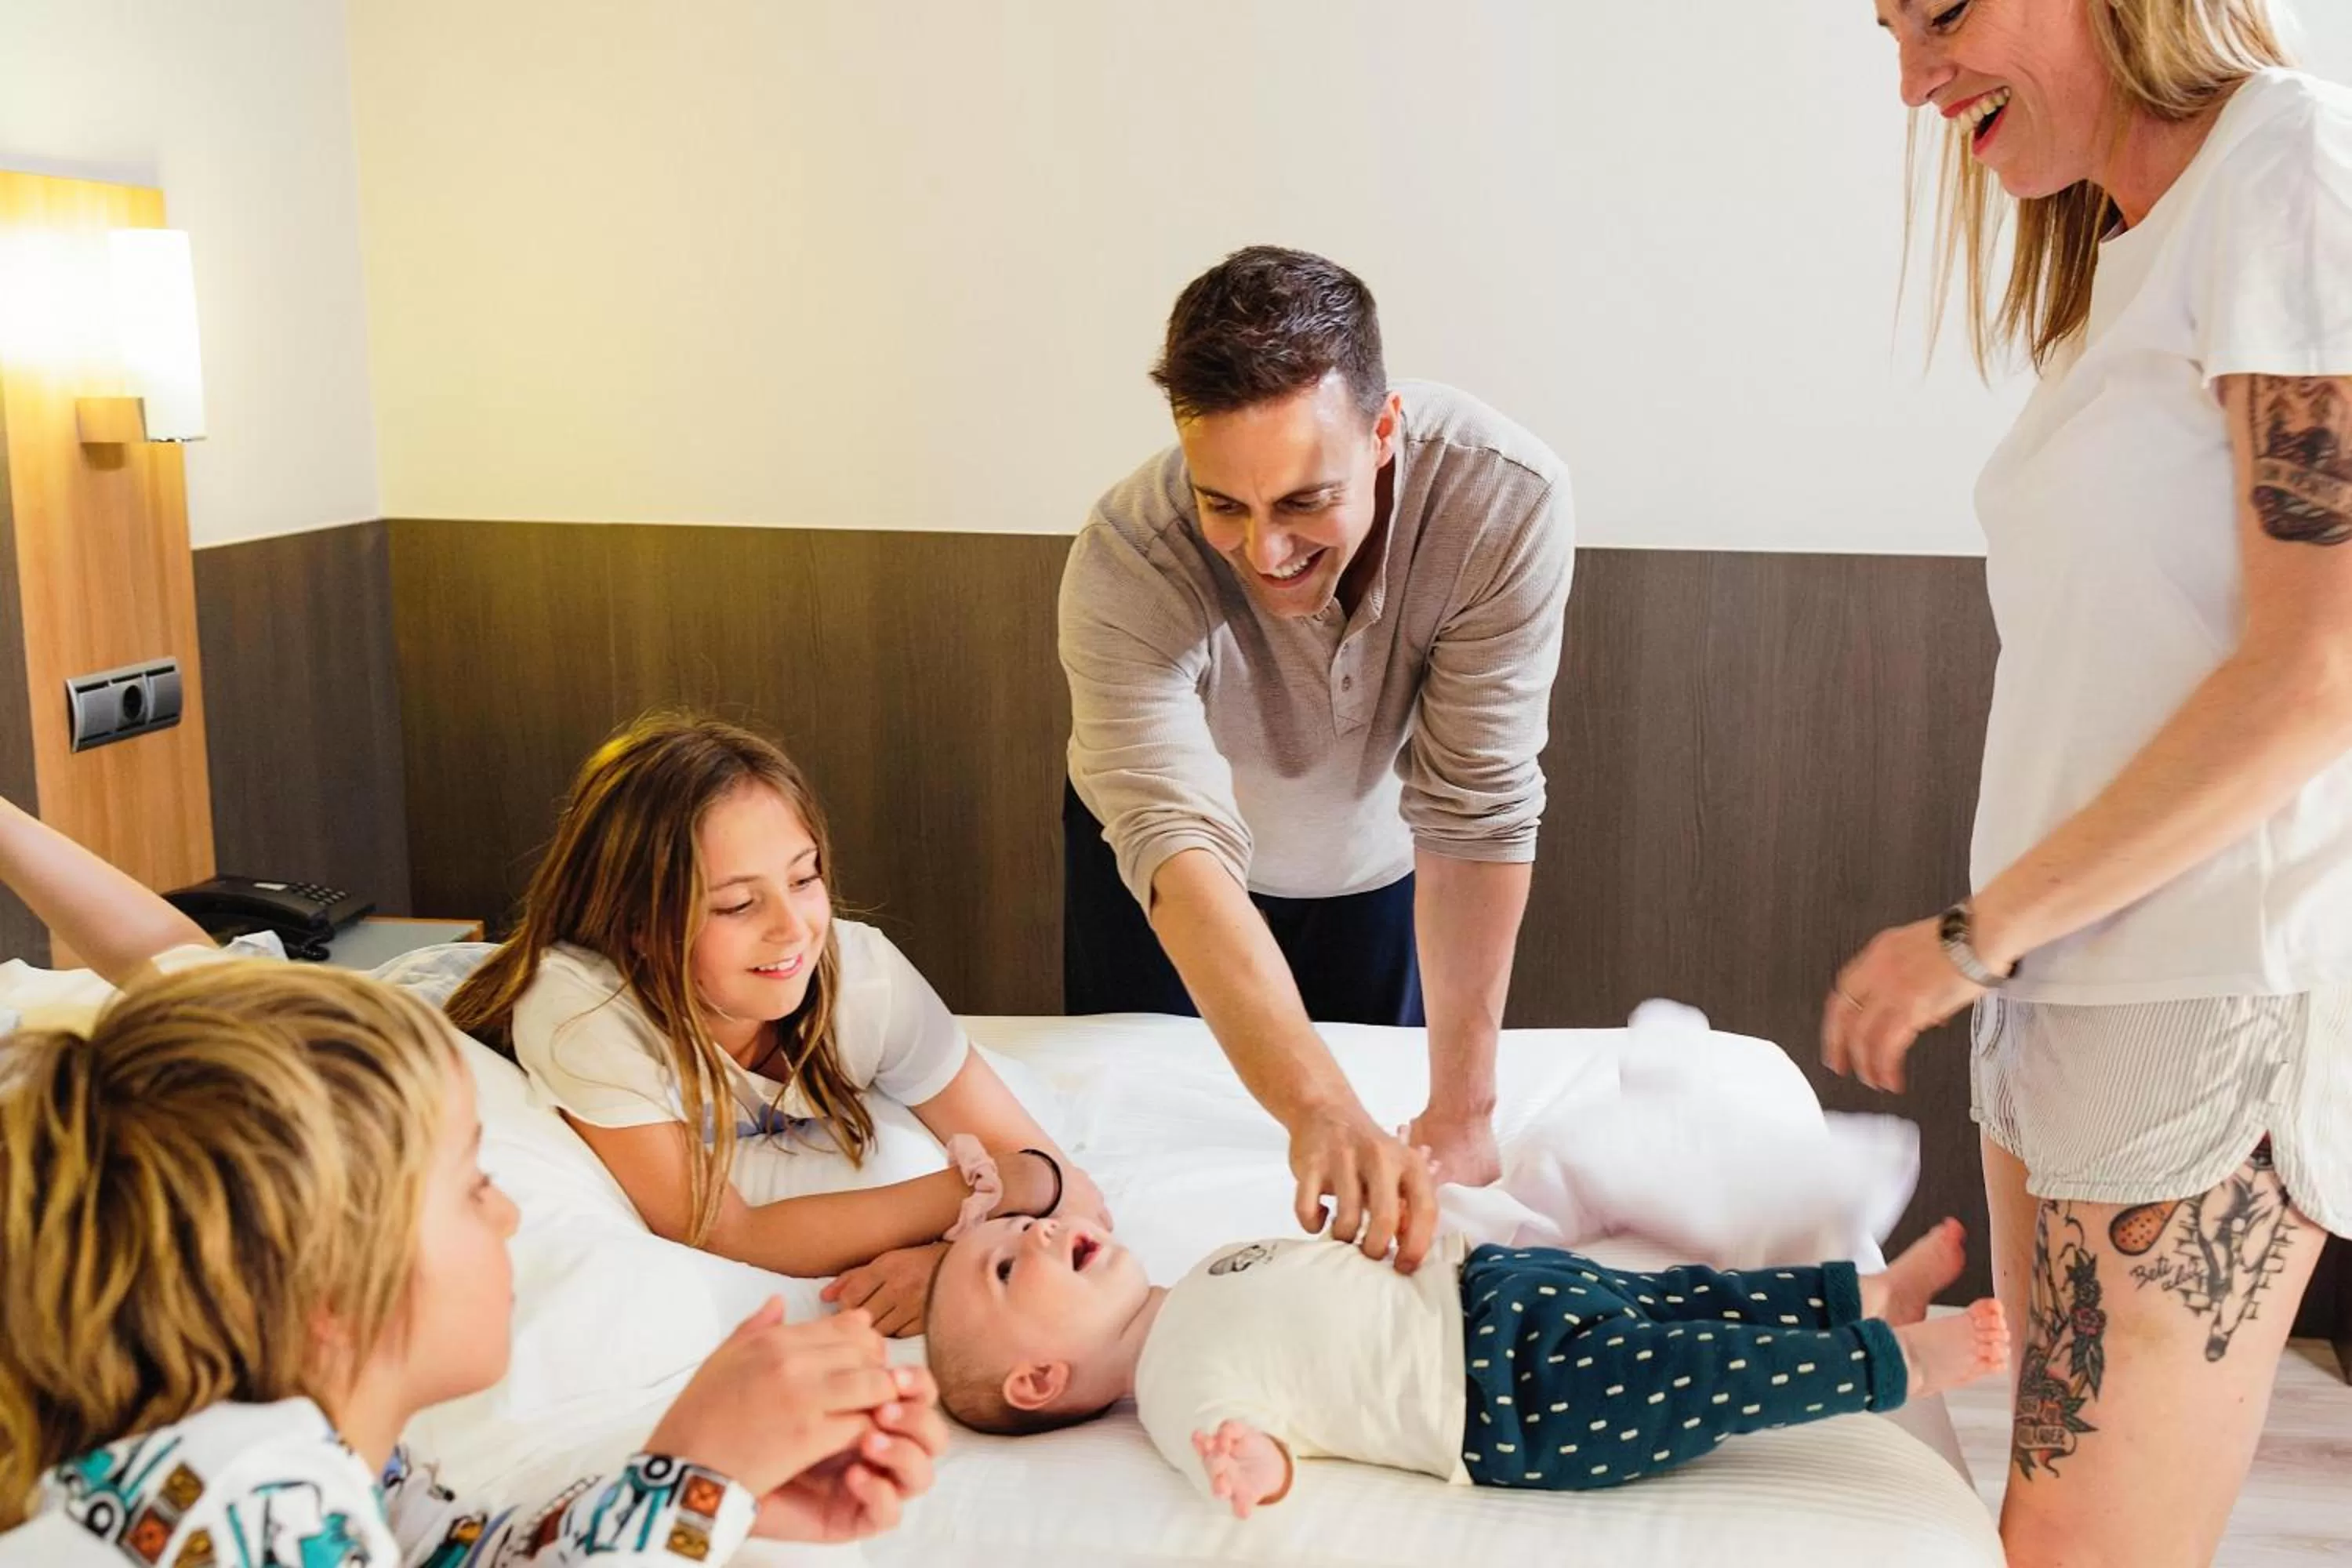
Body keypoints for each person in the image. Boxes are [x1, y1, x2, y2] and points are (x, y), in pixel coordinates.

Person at [1827, 5, 2352, 1563]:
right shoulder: (2135, 250)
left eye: (1942, 12)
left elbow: (2319, 669)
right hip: (2076, 990)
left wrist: (1976, 931)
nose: (1915, 78)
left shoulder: (2287, 166)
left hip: (2202, 998)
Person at [0, 803, 947, 1561]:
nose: (504, 1209)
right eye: (467, 1187)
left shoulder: (343, 1473)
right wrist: (685, 1477)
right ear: (331, 1290)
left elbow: (478, 1553)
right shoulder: (238, 1494)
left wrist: (718, 1497)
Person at [1059, 245, 1576, 1273]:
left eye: (1303, 503)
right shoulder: (1128, 554)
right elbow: (1173, 837)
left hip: (1374, 856)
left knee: (1382, 1175)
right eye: (1224, 506)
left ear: (1383, 434)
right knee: (1148, 1163)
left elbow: (1477, 807)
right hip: (1169, 876)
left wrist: (1464, 1115)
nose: (1264, 552)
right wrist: (1318, 1107)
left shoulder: (1502, 500)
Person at [445, 713, 1103, 1334]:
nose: (793, 930)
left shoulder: (862, 978)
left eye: (804, 878)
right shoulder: (583, 1015)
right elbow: (726, 1232)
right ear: (639, 926)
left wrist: (950, 1265)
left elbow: (1070, 1190)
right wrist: (990, 1188)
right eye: (737, 904)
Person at [920, 1211, 2004, 1514]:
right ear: (1038, 1381)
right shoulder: (1172, 1393)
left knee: (1693, 1295)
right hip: (1513, 1405)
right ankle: (1890, 1361)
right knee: (1701, 1362)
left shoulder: (1210, 1263)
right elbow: (1259, 1456)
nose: (1032, 1235)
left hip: (1493, 1293)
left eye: (1016, 1226)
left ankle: (1865, 1293)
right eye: (1006, 1271)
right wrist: (1249, 1467)